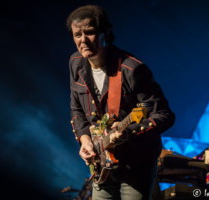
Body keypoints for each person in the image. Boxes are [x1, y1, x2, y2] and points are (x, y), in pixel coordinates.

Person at [66, 5, 175, 200]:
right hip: (102, 164)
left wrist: (129, 133)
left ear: (105, 32)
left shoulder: (132, 70)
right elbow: (76, 108)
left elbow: (165, 115)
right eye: (77, 35)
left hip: (136, 164)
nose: (82, 40)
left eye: (89, 32)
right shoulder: (76, 63)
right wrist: (84, 140)